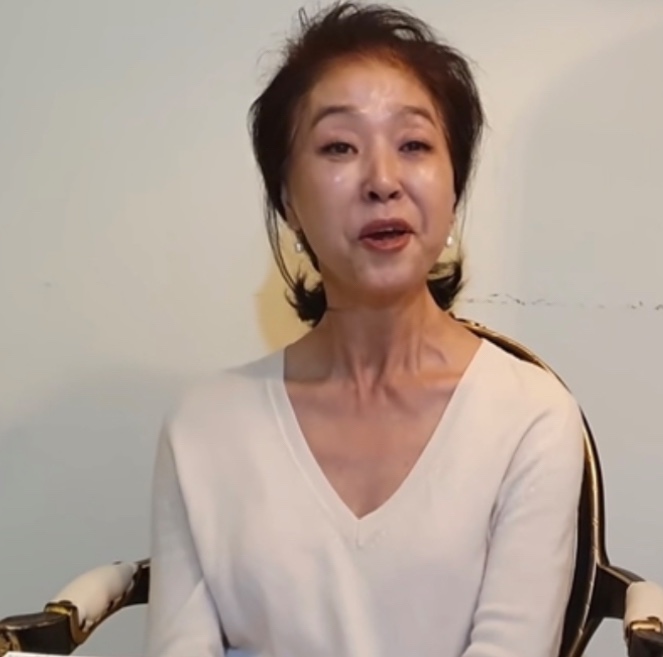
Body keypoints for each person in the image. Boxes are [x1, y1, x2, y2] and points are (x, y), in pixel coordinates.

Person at [144, 3, 586, 657]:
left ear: (454, 186)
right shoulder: (203, 427)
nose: (382, 181)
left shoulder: (530, 416)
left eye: (414, 145)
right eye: (339, 147)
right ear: (287, 200)